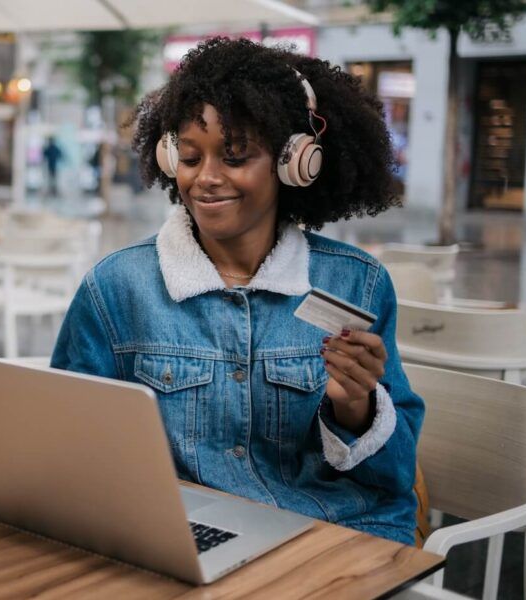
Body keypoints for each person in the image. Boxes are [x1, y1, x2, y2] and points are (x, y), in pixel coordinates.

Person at [51, 38, 424, 545]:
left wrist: (354, 407)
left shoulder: (358, 284)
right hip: (185, 533)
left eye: (235, 156)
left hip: (333, 531)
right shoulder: (116, 287)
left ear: (295, 161)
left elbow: (396, 477)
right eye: (188, 156)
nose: (206, 178)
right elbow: (64, 444)